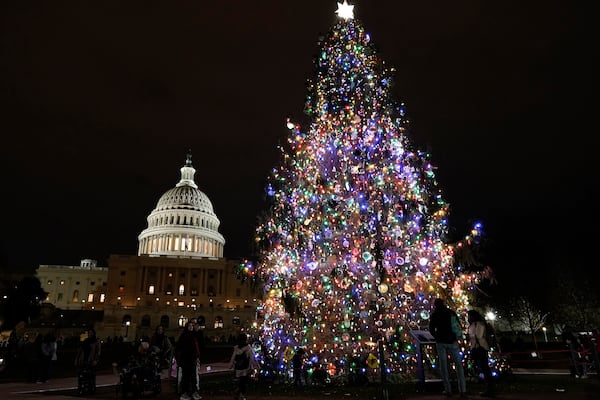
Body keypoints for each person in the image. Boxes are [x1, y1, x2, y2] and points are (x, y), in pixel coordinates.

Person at [429, 298, 467, 397]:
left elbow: (431, 328)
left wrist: (437, 336)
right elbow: (458, 325)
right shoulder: (450, 313)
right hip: (452, 341)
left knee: (443, 366)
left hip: (441, 341)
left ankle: (448, 389)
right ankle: (462, 389)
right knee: (458, 365)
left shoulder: (435, 314)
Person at [467, 310, 495, 397]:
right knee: (484, 368)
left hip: (480, 348)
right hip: (480, 348)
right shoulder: (477, 324)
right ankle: (489, 388)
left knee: (484, 368)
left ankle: (489, 388)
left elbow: (478, 336)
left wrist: (470, 336)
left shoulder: (477, 324)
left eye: (469, 316)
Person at [175, 322, 201, 400]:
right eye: (189, 326)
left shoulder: (194, 336)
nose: (191, 327)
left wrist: (197, 357)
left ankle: (194, 392)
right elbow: (179, 348)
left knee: (193, 377)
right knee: (185, 377)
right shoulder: (183, 336)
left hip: (192, 359)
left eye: (192, 326)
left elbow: (196, 348)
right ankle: (184, 393)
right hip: (185, 359)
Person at [229, 333, 258, 400]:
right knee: (243, 382)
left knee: (239, 381)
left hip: (238, 368)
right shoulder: (248, 348)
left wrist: (230, 366)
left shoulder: (236, 348)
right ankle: (241, 394)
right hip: (245, 368)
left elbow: (233, 358)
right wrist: (253, 367)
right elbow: (252, 358)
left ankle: (238, 393)